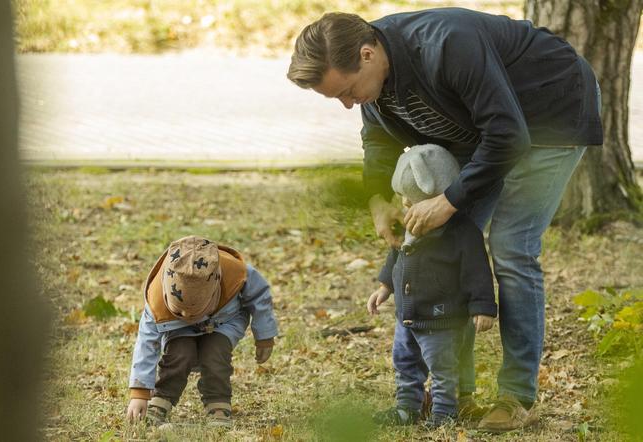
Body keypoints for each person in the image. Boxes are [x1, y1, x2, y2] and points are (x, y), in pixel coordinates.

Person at [287, 8, 602, 432]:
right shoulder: (374, 80)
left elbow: (508, 135)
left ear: (366, 54)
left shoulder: (446, 44)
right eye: (337, 99)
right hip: (485, 132)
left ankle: (516, 396)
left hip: (549, 112)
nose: (348, 104)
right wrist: (377, 198)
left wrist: (449, 199)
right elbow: (377, 136)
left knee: (511, 246)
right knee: (445, 239)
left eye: (346, 91)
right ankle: (458, 394)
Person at [367, 144, 497, 428]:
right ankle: (407, 407)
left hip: (442, 319)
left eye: (409, 199)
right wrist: (384, 287)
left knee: (443, 369)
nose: (403, 205)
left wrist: (483, 307)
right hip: (407, 317)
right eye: (401, 197)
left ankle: (444, 412)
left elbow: (477, 271)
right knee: (405, 364)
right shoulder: (409, 225)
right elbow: (396, 255)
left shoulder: (463, 232)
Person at [125, 236, 278, 427]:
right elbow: (146, 343)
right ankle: (162, 399)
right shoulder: (156, 300)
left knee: (215, 352)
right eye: (181, 309)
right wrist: (139, 393)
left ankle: (218, 402)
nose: (189, 315)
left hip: (224, 320)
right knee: (179, 354)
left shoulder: (235, 271)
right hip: (177, 326)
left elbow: (260, 295)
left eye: (195, 311)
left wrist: (264, 336)